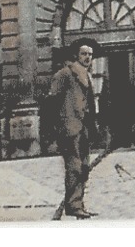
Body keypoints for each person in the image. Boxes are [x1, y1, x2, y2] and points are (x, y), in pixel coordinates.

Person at [49, 40, 98, 219]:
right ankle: (73, 205)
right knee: (74, 167)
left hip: (84, 128)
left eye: (90, 55)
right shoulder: (64, 74)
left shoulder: (88, 75)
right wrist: (58, 126)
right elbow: (52, 102)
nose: (87, 57)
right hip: (69, 128)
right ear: (76, 55)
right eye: (84, 54)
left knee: (84, 167)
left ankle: (78, 204)